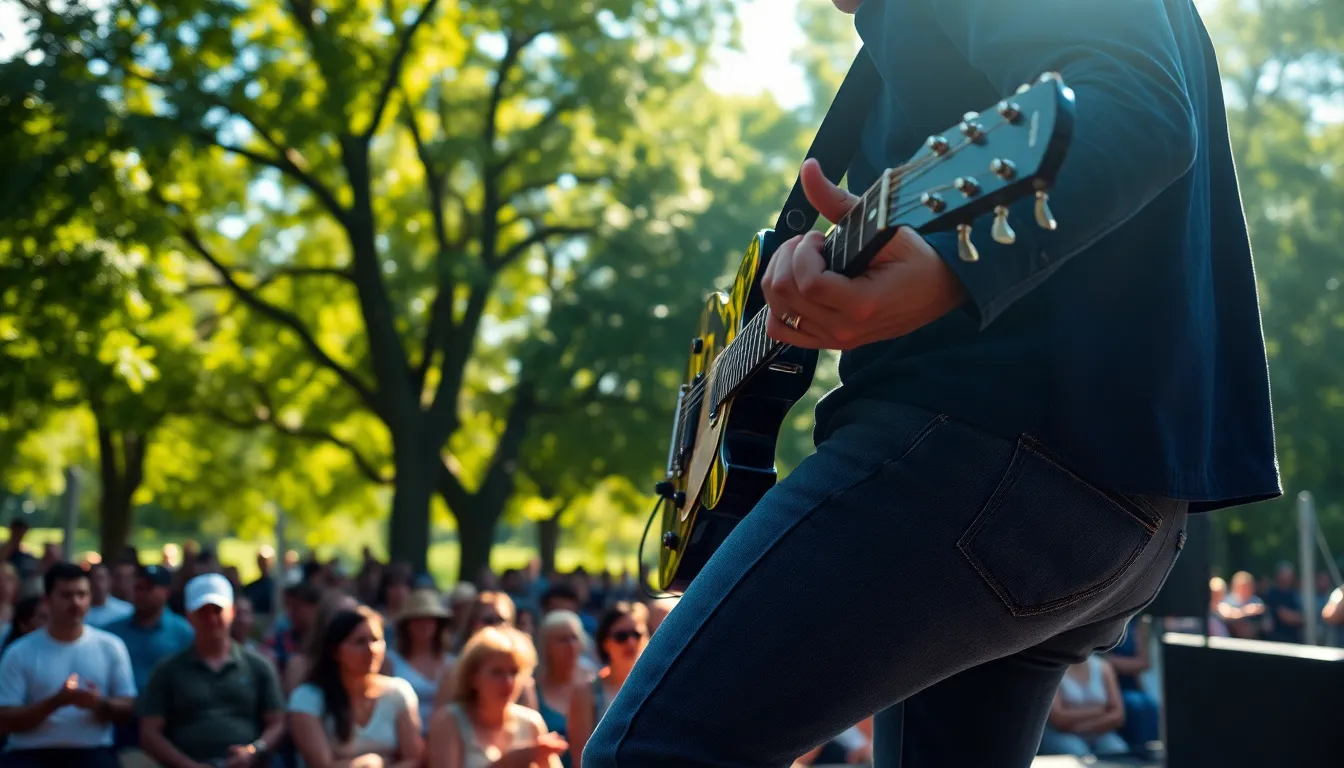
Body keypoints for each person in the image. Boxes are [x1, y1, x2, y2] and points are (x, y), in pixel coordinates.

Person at [580, 0, 1281, 766]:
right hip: (1116, 509)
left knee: (646, 749)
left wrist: (954, 258)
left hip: (977, 457)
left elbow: (1135, 99)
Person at [138, 573, 286, 768]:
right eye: (203, 611)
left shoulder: (258, 665)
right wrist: (188, 765)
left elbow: (278, 722)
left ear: (232, 612)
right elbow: (149, 733)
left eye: (217, 610)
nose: (211, 618)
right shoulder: (168, 670)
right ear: (189, 617)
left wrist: (253, 750)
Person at [0, 562, 136, 767]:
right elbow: (6, 719)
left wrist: (98, 704)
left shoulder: (110, 646)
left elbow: (127, 708)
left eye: (82, 594)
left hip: (92, 752)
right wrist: (55, 702)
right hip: (31, 753)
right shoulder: (19, 652)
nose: (76, 603)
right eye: (66, 595)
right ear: (47, 600)